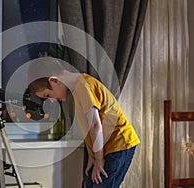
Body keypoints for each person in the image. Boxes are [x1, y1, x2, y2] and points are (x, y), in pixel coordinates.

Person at [26, 57, 140, 188]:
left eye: (48, 95)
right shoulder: (76, 89)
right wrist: (92, 156)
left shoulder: (83, 86)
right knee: (90, 184)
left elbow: (95, 125)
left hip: (119, 143)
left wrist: (98, 159)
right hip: (106, 148)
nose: (51, 100)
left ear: (54, 80)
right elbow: (87, 128)